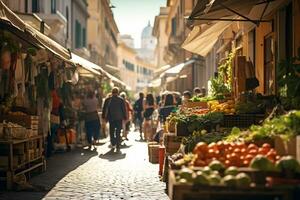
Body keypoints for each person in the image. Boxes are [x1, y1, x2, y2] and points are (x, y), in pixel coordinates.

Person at [102, 87, 127, 152]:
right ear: (118, 92)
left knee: (111, 131)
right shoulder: (121, 100)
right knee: (118, 132)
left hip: (111, 118)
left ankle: (113, 143)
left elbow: (104, 109)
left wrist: (103, 117)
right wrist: (125, 117)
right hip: (119, 118)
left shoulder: (108, 100)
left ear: (112, 92)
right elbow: (124, 109)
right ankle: (118, 145)